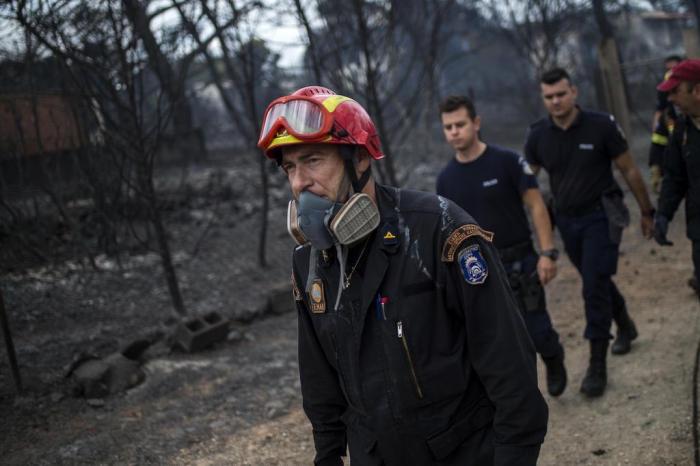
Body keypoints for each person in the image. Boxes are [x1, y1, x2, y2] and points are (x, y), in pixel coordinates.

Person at [258, 86, 548, 465]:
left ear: (359, 158)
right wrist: (327, 455)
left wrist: (513, 455)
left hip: (463, 452)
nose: (298, 183)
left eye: (312, 160)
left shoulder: (440, 230)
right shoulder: (309, 264)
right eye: (290, 167)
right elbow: (319, 379)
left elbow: (507, 359)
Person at [524, 68, 655, 398]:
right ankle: (625, 322)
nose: (555, 101)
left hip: (602, 216)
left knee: (593, 286)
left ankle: (597, 364)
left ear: (574, 92)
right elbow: (526, 181)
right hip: (567, 221)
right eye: (549, 97)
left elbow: (628, 168)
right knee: (597, 280)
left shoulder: (601, 125)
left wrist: (646, 211)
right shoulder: (538, 135)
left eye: (561, 94)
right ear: (544, 98)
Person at [436, 95, 567, 397]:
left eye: (460, 124)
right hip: (478, 270)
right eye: (448, 127)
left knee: (537, 331)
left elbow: (536, 206)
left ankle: (553, 356)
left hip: (520, 261)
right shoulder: (445, 180)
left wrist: (547, 253)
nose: (454, 131)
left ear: (476, 123)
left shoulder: (507, 161)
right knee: (500, 342)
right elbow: (447, 231)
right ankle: (522, 398)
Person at [654, 59, 700, 297]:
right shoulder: (681, 130)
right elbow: (675, 178)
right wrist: (663, 214)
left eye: (676, 91)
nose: (670, 99)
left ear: (698, 90)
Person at [649, 55, 683, 193]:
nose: (671, 98)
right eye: (667, 69)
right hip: (672, 125)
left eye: (673, 68)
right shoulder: (665, 86)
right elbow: (660, 109)